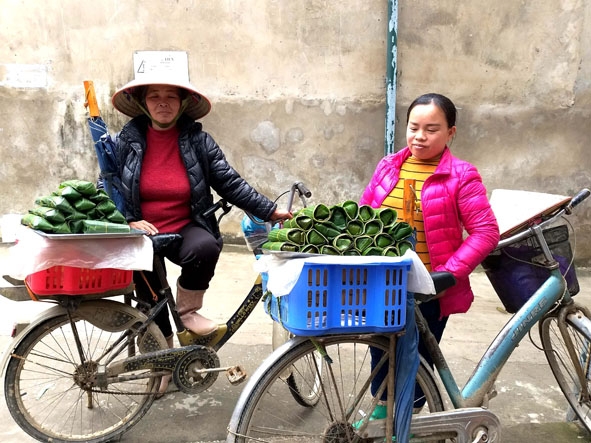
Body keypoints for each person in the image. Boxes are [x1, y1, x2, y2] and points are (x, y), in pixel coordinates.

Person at [102, 72, 292, 394]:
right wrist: (127, 220)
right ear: (143, 104)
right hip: (142, 231)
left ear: (183, 103)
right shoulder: (126, 141)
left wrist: (268, 210)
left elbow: (229, 182)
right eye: (154, 96)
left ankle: (187, 311)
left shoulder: (198, 140)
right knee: (150, 292)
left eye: (171, 96)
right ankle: (161, 363)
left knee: (205, 247)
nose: (163, 102)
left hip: (185, 225)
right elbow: (105, 185)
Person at [358, 93, 500, 419]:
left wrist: (450, 273)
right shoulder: (388, 166)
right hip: (382, 280)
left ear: (451, 132)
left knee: (418, 357)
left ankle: (413, 422)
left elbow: (486, 231)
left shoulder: (462, 175)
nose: (420, 136)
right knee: (380, 350)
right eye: (414, 127)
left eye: (432, 129)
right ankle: (382, 414)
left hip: (430, 289)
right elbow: (364, 215)